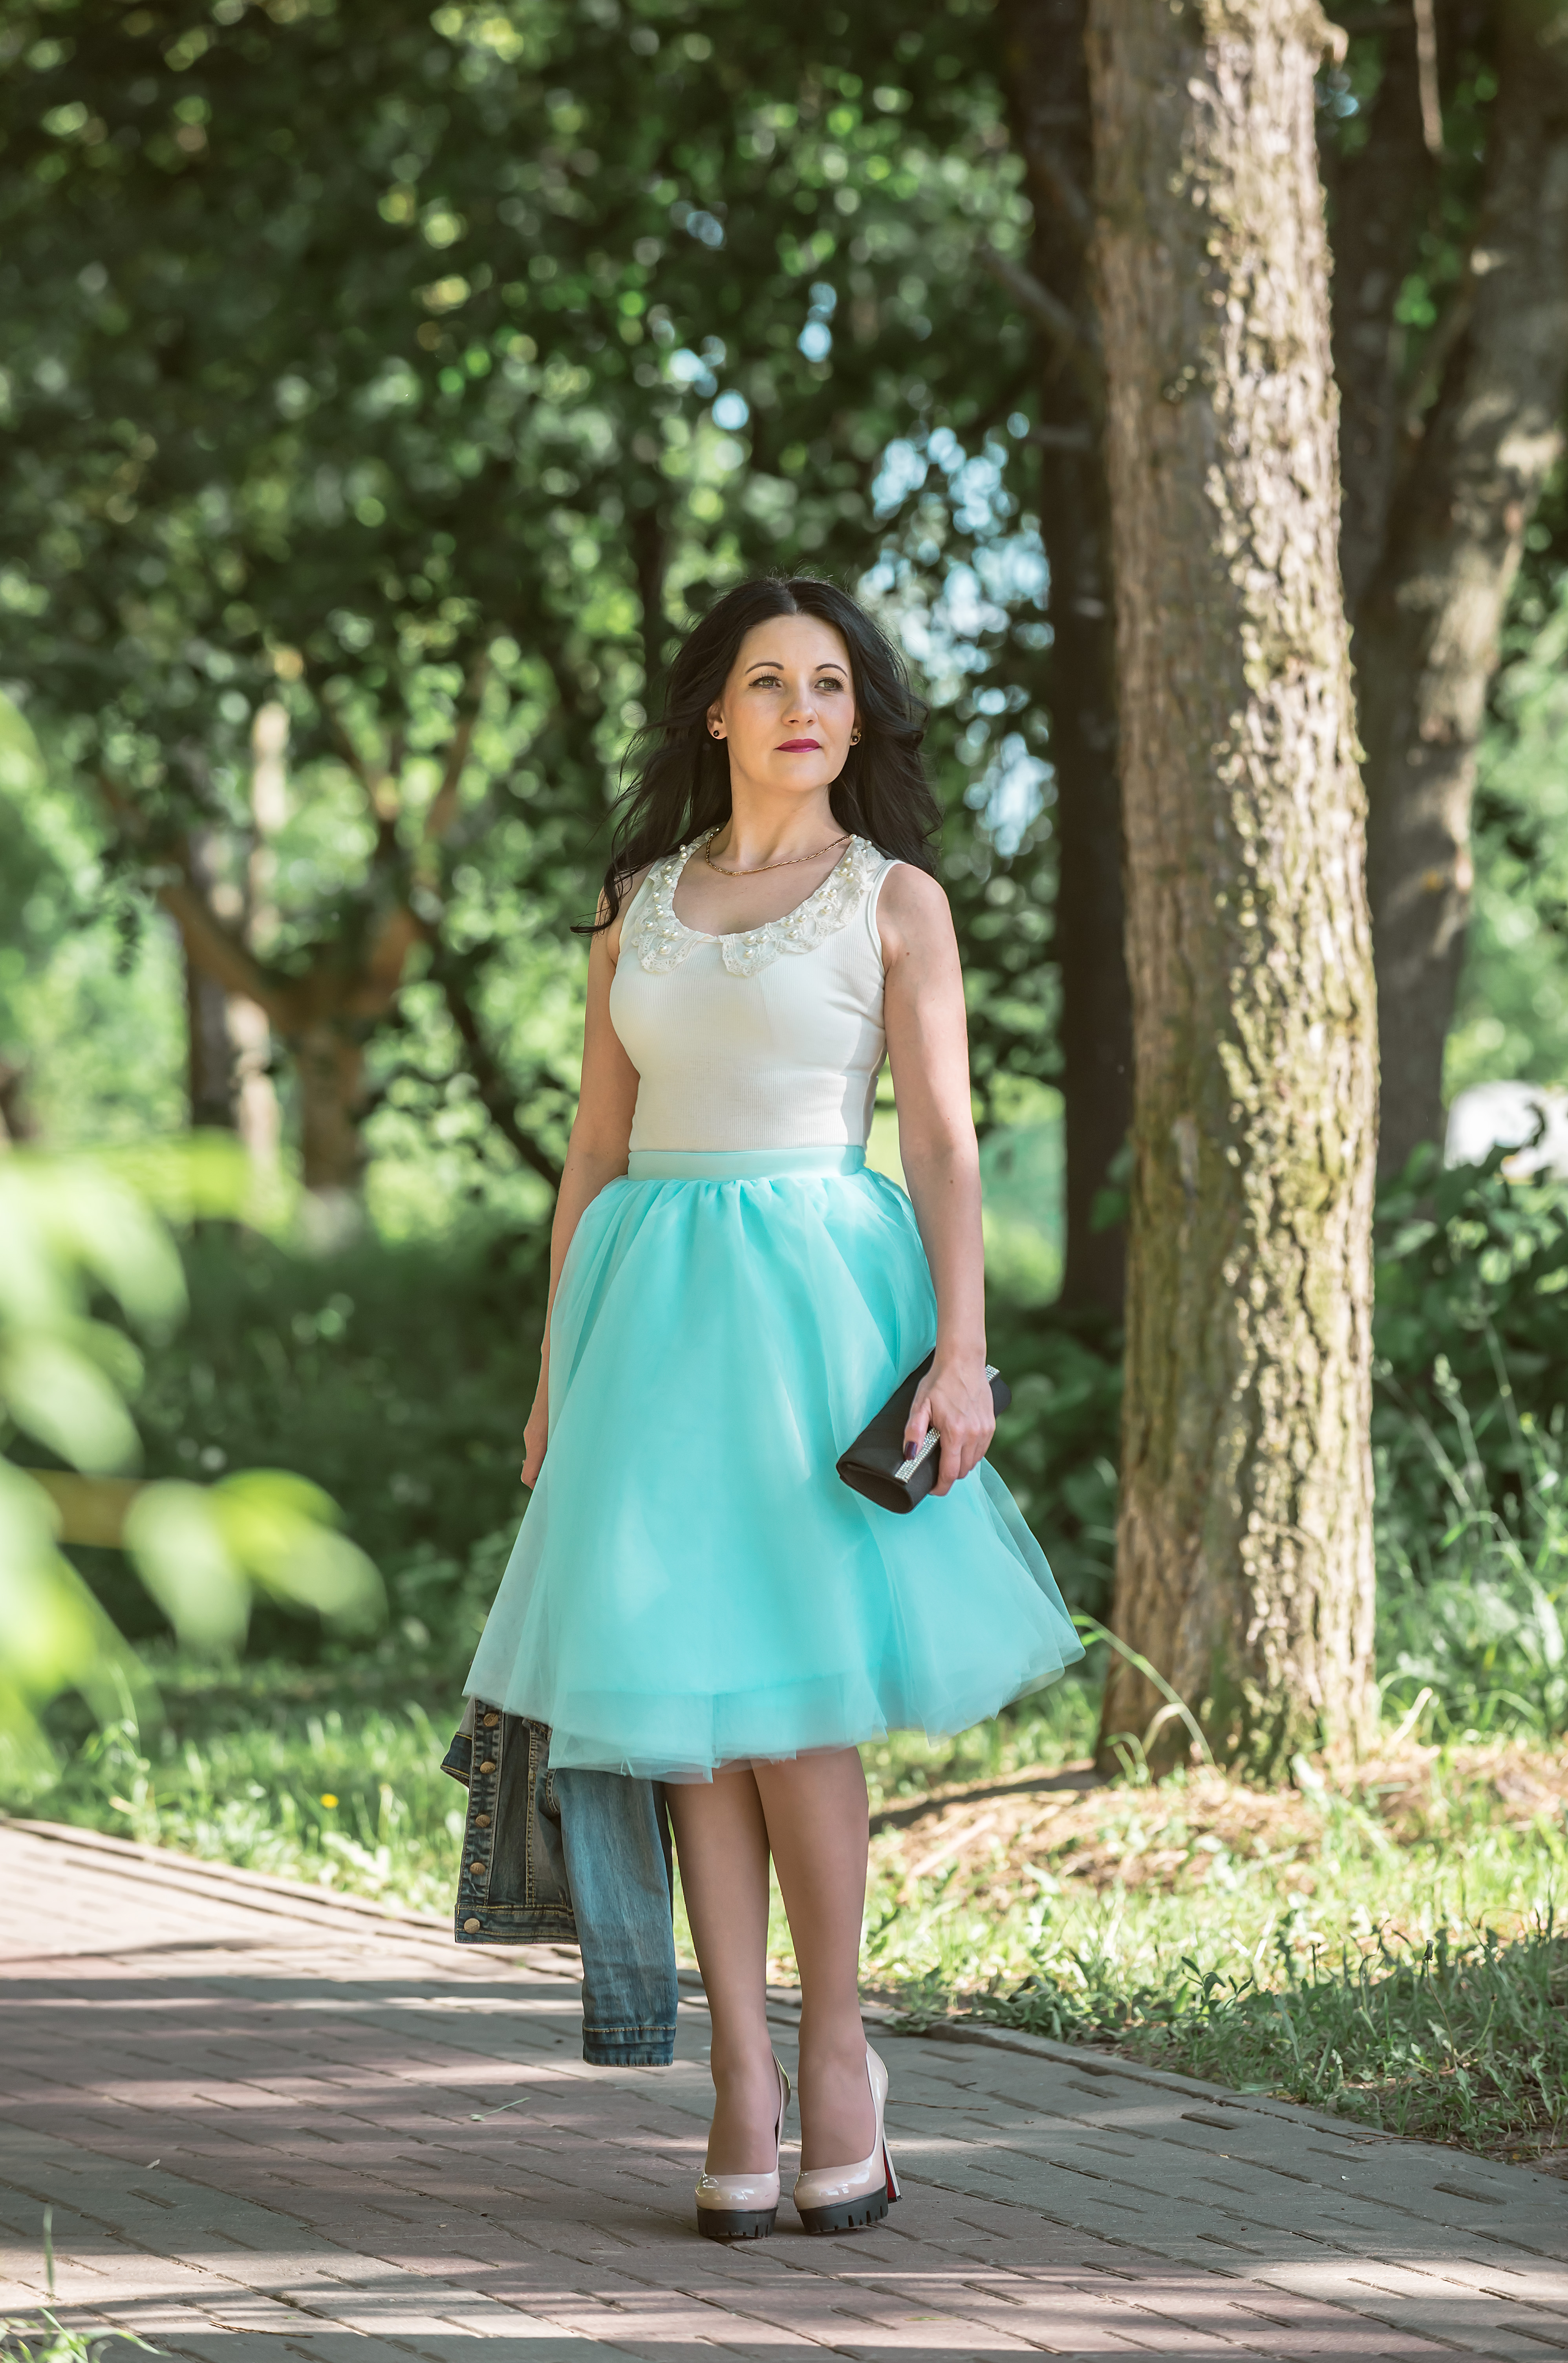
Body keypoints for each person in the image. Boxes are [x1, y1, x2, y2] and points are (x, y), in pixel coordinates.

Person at [464, 575, 1083, 2240]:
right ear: (714, 711)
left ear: (857, 719)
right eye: (767, 680)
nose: (802, 707)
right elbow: (594, 1156)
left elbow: (941, 1139)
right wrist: (551, 1383)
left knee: (798, 1711)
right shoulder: (636, 907)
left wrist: (961, 1352)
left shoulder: (894, 901)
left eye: (829, 682)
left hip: (815, 1307)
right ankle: (739, 2075)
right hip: (646, 1325)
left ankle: (837, 2063)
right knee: (688, 1713)